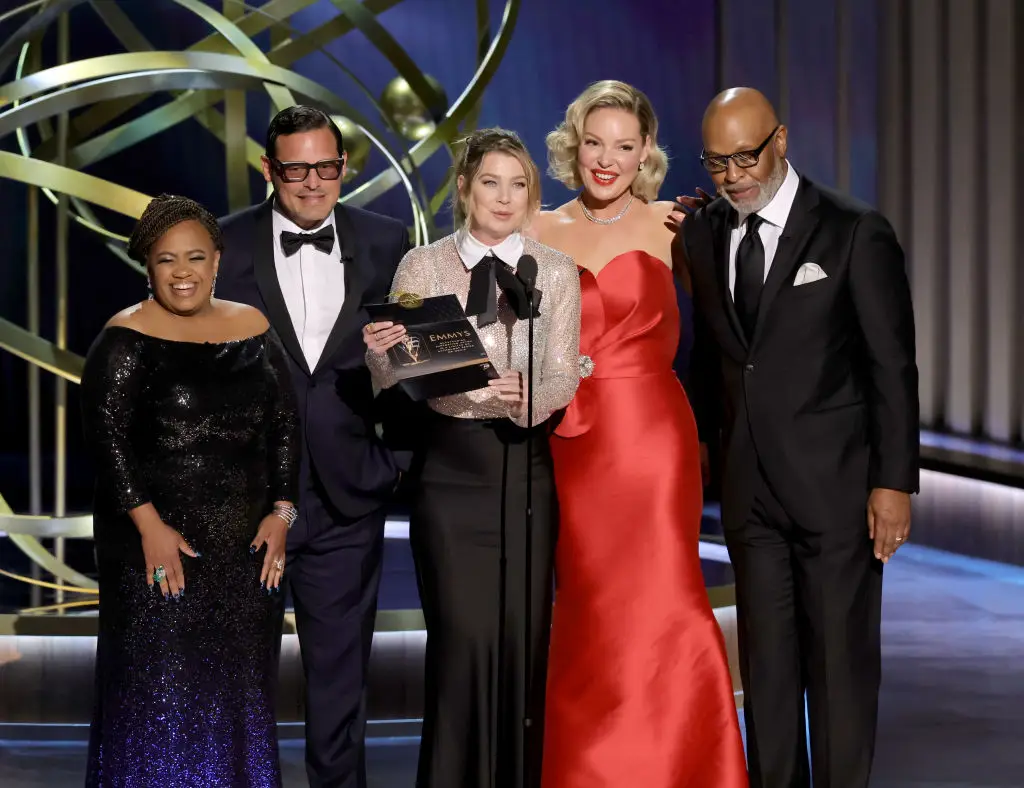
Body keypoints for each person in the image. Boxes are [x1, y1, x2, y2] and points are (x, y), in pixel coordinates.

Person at [676, 87, 919, 788]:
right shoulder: (702, 233)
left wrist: (894, 482)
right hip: (750, 494)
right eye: (717, 162)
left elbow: (891, 366)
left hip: (838, 493)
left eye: (745, 157)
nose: (733, 176)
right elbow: (714, 356)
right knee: (769, 678)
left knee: (840, 676)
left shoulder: (853, 231)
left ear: (780, 140)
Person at [528, 80, 748, 788]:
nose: (606, 159)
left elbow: (731, 332)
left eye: (624, 146)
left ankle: (688, 765)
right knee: (590, 605)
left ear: (646, 150)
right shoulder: (538, 229)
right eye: (595, 143)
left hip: (654, 443)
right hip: (572, 443)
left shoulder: (674, 225)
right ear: (574, 144)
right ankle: (593, 769)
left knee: (664, 596)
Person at [363, 127, 581, 788]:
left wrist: (528, 397)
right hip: (451, 475)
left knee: (522, 644)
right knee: (461, 646)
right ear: (464, 188)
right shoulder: (422, 266)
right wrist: (380, 354)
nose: (505, 197)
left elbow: (563, 373)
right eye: (491, 182)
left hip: (524, 473)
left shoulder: (553, 269)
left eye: (519, 184)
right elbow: (397, 373)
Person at [214, 105, 411, 788]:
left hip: (346, 497)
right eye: (296, 170)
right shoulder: (222, 242)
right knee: (240, 683)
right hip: (246, 503)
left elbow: (408, 360)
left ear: (343, 166)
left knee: (340, 686)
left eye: (326, 167)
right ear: (268, 169)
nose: (313, 182)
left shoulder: (387, 240)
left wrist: (394, 464)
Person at [80, 194, 300, 786]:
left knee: (238, 692)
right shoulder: (124, 339)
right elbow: (107, 442)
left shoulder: (253, 328)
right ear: (148, 266)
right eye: (167, 259)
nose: (183, 272)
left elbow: (284, 425)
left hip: (244, 555)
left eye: (196, 257)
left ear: (217, 260)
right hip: (155, 550)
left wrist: (282, 513)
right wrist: (149, 527)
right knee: (158, 695)